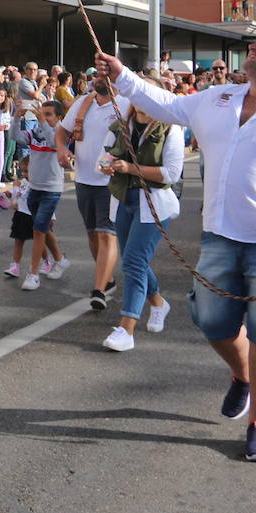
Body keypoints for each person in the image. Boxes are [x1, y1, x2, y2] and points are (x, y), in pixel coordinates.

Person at [97, 30, 256, 462]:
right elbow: (165, 104)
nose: (253, 47)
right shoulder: (218, 98)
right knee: (212, 320)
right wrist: (123, 76)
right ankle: (242, 375)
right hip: (220, 233)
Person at [98, 80, 182, 352]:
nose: (140, 102)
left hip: (154, 205)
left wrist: (131, 168)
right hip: (124, 201)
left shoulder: (171, 129)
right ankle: (158, 302)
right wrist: (107, 167)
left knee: (133, 262)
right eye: (136, 96)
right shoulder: (121, 125)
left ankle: (126, 328)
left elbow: (170, 174)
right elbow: (103, 159)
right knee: (136, 261)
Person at [56, 70, 131, 309]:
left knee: (106, 233)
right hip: (84, 179)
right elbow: (62, 131)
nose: (101, 79)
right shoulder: (83, 102)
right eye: (98, 76)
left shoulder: (127, 105)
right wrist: (62, 150)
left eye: (106, 76)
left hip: (112, 181)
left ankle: (98, 289)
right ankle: (106, 279)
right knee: (92, 233)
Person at [13, 101, 70, 289]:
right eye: (42, 113)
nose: (43, 117)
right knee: (44, 228)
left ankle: (33, 274)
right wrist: (16, 117)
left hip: (51, 189)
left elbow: (54, 143)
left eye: (48, 114)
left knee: (38, 230)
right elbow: (15, 136)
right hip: (34, 187)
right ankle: (60, 259)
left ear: (59, 117)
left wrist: (41, 121)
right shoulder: (35, 132)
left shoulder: (62, 132)